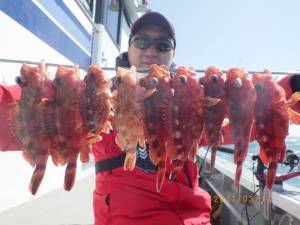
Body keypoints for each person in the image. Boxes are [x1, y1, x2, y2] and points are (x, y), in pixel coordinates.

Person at [1, 11, 300, 225]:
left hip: (191, 218)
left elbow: (246, 117)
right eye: (142, 42)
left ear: (171, 55)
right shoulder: (97, 97)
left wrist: (289, 88)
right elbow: (21, 110)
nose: (151, 51)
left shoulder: (189, 102)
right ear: (129, 48)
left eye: (163, 45)